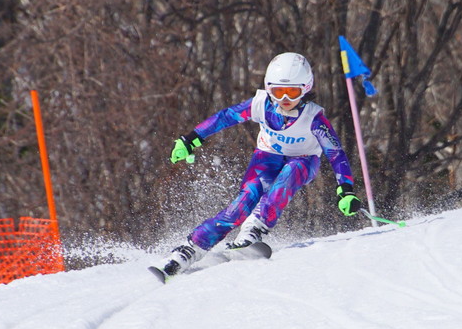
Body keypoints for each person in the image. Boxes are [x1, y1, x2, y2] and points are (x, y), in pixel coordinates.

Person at [153, 52, 362, 277]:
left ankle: (256, 226)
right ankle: (191, 248)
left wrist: (346, 190)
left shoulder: (314, 119)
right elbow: (226, 117)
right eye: (278, 92)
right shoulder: (261, 104)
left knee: (289, 174)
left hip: (303, 160)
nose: (285, 99)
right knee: (244, 201)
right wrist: (192, 138)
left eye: (292, 92)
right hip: (267, 156)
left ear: (306, 88)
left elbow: (335, 154)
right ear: (268, 88)